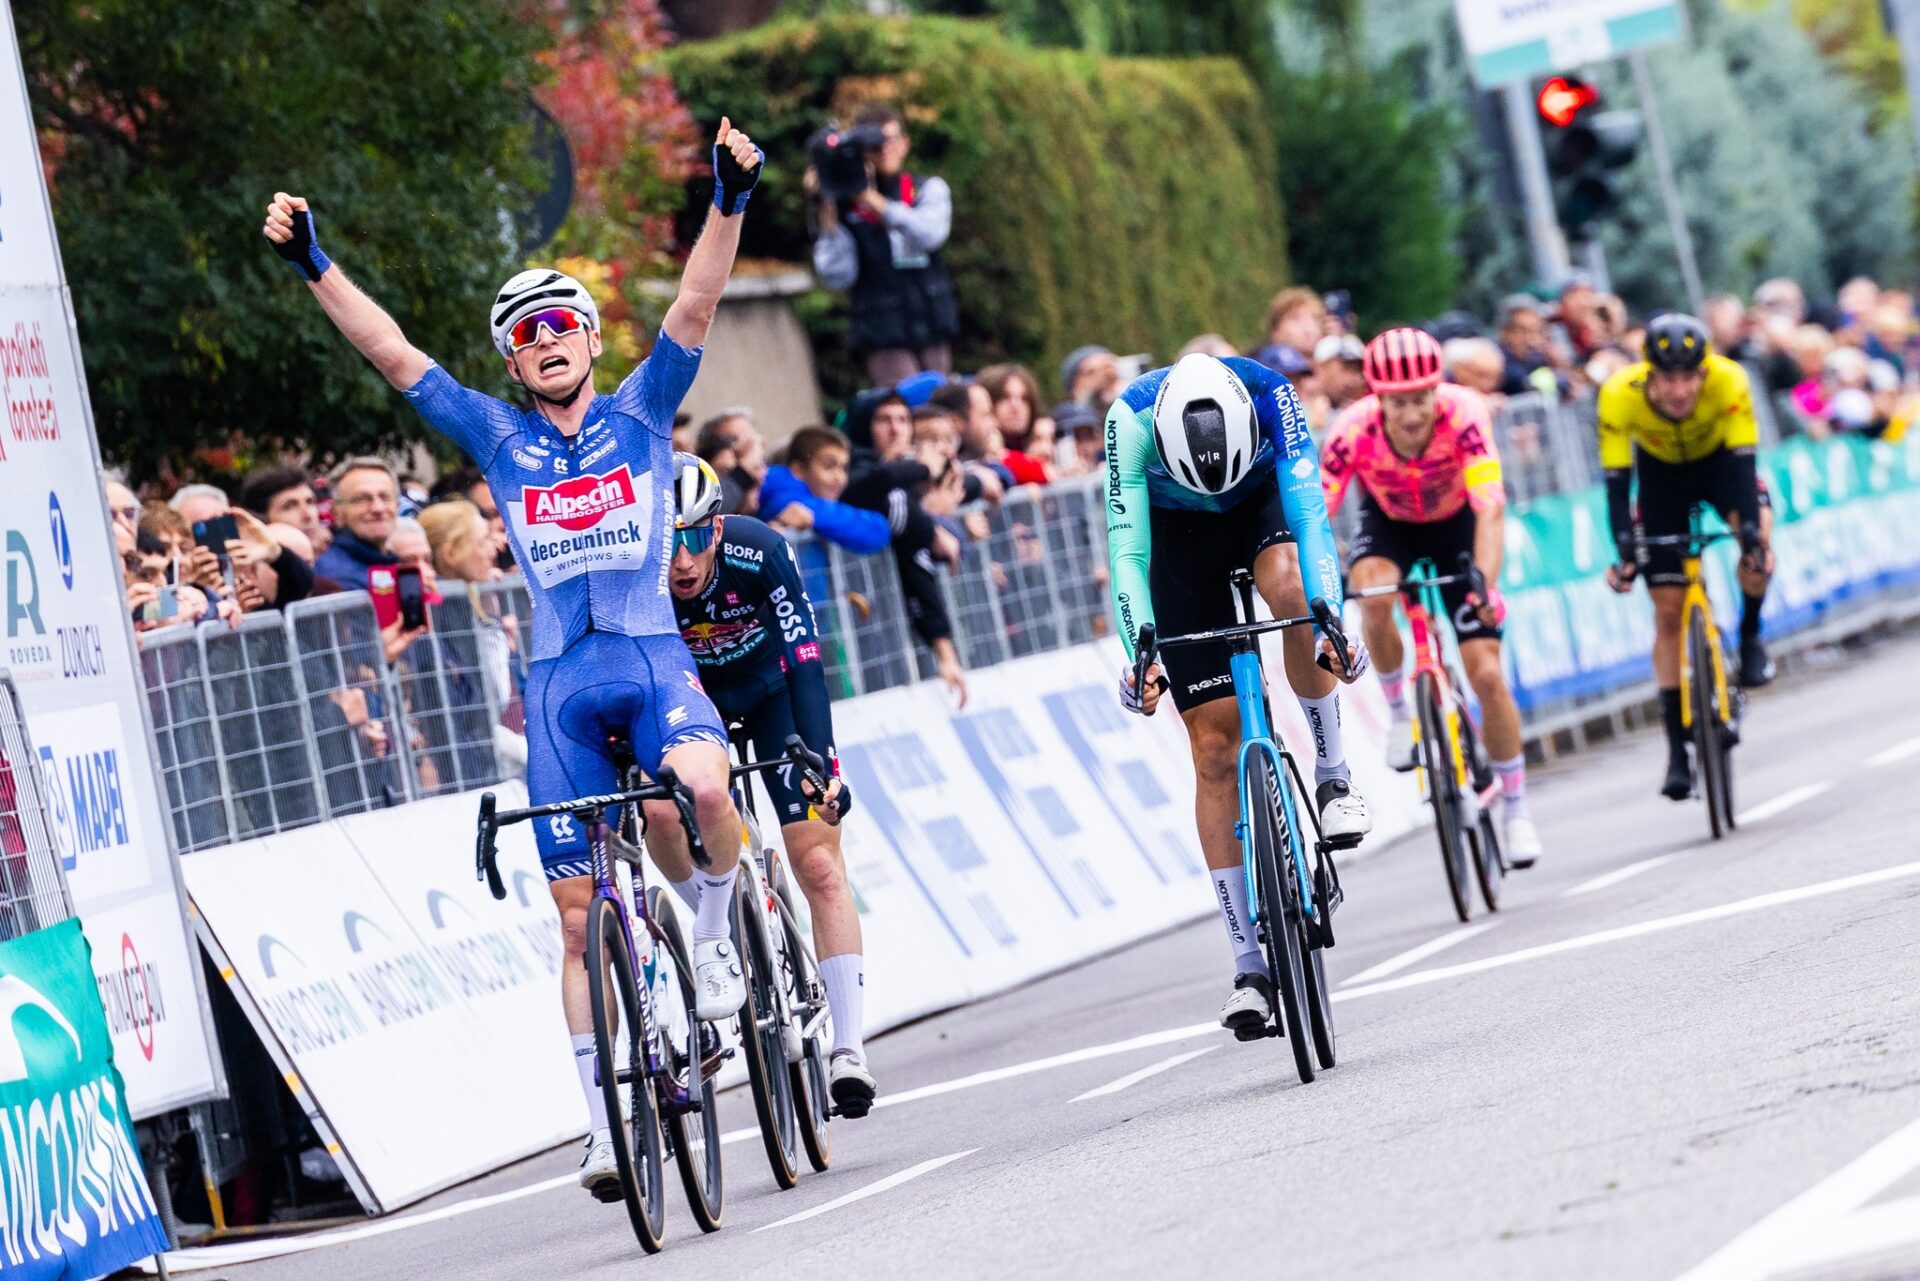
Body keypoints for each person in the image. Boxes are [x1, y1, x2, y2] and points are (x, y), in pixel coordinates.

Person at [262, 114, 764, 1201]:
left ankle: (717, 937)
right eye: (526, 335)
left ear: (589, 340)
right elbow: (394, 353)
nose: (545, 342)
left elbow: (696, 303)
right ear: (514, 359)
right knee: (578, 919)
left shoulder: (643, 409)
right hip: (560, 692)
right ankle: (598, 1125)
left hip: (651, 657)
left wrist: (728, 200)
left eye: (561, 327)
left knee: (705, 784)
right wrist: (315, 263)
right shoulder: (496, 434)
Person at [1106, 352, 1372, 1039]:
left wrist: (1329, 616)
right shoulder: (1129, 421)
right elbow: (1128, 554)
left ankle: (1333, 776)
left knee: (1292, 591)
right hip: (1175, 540)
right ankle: (1249, 964)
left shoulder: (1272, 396)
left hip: (1262, 513)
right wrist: (1141, 651)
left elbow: (1312, 520)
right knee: (1214, 748)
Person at [662, 455, 875, 1114]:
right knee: (665, 817)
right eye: (664, 540)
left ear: (718, 529)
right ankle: (715, 926)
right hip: (697, 709)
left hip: (775, 694)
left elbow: (809, 664)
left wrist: (825, 766)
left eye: (694, 536)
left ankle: (849, 1047)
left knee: (818, 858)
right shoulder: (639, 584)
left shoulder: (762, 551)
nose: (682, 558)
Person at [1320, 328, 1543, 867]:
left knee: (1486, 675)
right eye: (1399, 403)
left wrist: (1483, 589)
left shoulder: (1465, 414)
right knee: (1372, 594)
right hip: (1391, 523)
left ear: (1436, 390)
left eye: (1421, 399)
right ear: (1378, 398)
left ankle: (1515, 810)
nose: (1413, 414)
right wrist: (1321, 592)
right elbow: (1317, 518)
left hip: (1456, 526)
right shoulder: (1351, 430)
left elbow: (1489, 506)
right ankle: (1400, 711)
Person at [1598, 314, 1776, 801]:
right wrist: (1625, 548)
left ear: (1704, 372)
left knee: (1759, 542)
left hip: (1722, 467)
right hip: (1661, 481)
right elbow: (1616, 483)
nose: (1678, 391)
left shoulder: (1730, 381)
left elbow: (1744, 465)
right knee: (1668, 612)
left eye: (1688, 378)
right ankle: (1678, 750)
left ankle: (1751, 634)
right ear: (1649, 375)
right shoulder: (1618, 394)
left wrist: (1750, 541)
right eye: (1667, 379)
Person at [810, 103, 959, 385]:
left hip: (932, 321)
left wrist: (870, 199)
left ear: (905, 144)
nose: (884, 150)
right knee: (905, 403)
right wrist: (828, 202)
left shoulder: (925, 188)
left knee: (938, 404)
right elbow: (837, 276)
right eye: (875, 143)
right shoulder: (843, 205)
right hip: (881, 329)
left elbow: (929, 233)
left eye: (890, 140)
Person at [758, 426, 891, 553]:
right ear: (798, 470)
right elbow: (875, 531)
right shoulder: (790, 500)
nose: (840, 478)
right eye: (829, 466)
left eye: (844, 468)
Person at [1252, 286, 1326, 377]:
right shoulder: (1257, 370)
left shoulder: (1328, 372)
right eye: (1296, 319)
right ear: (1275, 329)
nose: (1308, 328)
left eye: (1314, 319)